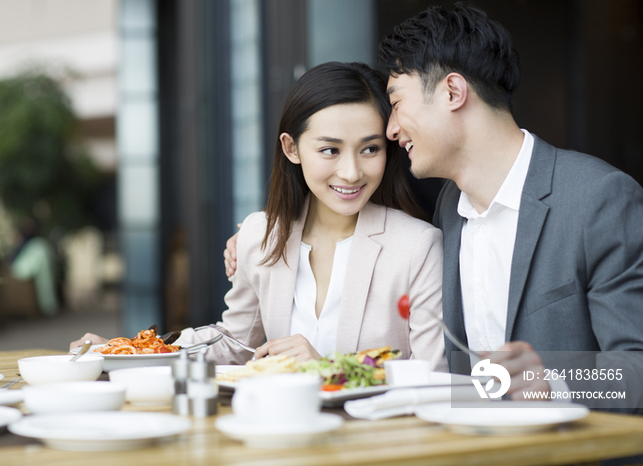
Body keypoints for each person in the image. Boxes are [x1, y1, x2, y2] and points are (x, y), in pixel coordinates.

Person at [225, 4, 643, 409]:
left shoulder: (597, 199)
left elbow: (637, 370)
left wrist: (552, 380)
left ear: (453, 92)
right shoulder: (449, 210)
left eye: (397, 102)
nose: (390, 129)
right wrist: (251, 238)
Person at [72, 62, 447, 370]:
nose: (351, 172)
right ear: (292, 148)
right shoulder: (260, 235)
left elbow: (434, 370)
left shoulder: (417, 246)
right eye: (330, 150)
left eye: (369, 149)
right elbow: (232, 343)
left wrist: (328, 368)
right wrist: (127, 350)